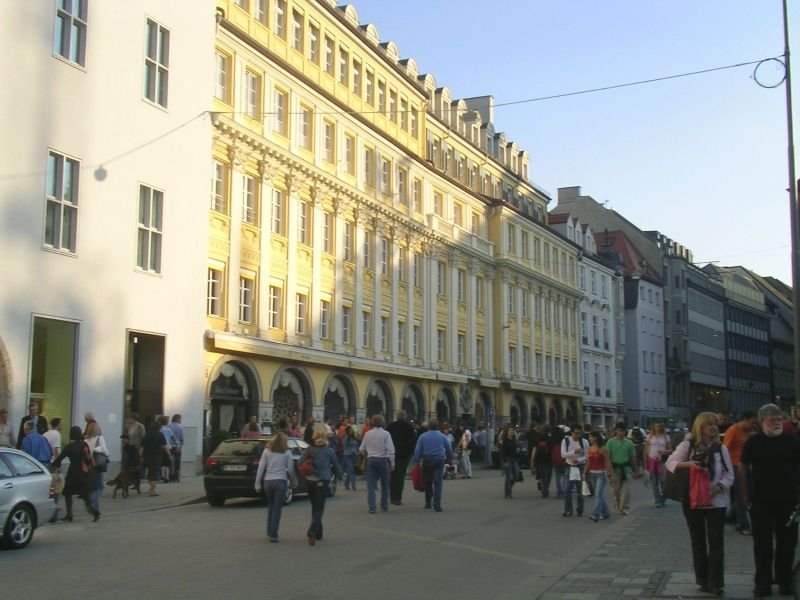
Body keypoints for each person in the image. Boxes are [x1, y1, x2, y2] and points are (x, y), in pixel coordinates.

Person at [666, 412, 734, 597]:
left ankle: (716, 582)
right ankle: (703, 579)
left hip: (716, 501)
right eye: (709, 424)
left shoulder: (721, 448)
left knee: (716, 542)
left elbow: (729, 475)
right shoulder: (688, 445)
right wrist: (689, 464)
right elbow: (670, 462)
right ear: (700, 426)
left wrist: (718, 488)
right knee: (698, 542)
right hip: (693, 499)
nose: (713, 427)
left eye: (715, 424)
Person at [739, 403, 800, 597]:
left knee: (787, 543)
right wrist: (744, 496)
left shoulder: (791, 441)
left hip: (788, 500)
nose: (777, 423)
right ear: (762, 421)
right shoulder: (753, 442)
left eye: (779, 419)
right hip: (761, 501)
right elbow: (742, 468)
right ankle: (762, 583)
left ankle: (784, 581)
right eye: (773, 420)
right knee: (762, 544)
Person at [254, 432, 298, 543]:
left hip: (268, 481)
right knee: (277, 508)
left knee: (270, 506)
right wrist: (294, 481)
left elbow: (261, 468)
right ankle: (273, 534)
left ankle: (269, 530)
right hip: (281, 481)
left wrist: (257, 483)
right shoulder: (287, 452)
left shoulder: (267, 451)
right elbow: (291, 469)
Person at [52, 426, 99, 522]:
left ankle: (69, 514)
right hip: (84, 472)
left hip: (73, 472)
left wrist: (55, 465)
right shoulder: (84, 445)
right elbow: (89, 458)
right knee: (85, 495)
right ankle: (94, 512)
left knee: (68, 493)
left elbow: (60, 458)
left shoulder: (69, 446)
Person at [305, 426, 343, 545]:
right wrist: (341, 475)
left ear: (314, 436)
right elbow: (336, 465)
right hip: (323, 481)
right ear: (325, 436)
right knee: (319, 508)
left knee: (314, 507)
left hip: (310, 480)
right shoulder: (329, 451)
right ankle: (312, 531)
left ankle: (318, 533)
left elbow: (300, 462)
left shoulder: (309, 449)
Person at [721, 410, 755, 535]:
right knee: (742, 495)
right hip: (736, 467)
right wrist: (727, 467)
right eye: (751, 422)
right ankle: (742, 525)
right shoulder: (733, 430)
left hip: (745, 466)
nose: (753, 425)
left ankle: (731, 517)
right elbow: (725, 448)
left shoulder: (746, 431)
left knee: (746, 494)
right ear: (745, 419)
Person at [412, 420, 452, 512]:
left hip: (427, 459)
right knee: (438, 482)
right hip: (439, 459)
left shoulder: (423, 436)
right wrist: (449, 459)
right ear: (438, 426)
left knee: (428, 481)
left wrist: (416, 460)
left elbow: (418, 449)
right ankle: (437, 504)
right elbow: (448, 448)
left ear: (428, 427)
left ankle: (428, 502)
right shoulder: (442, 436)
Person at [359, 415, 395, 513]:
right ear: (382, 422)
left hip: (371, 460)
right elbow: (391, 450)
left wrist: (367, 455)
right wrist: (392, 463)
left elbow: (361, 449)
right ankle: (384, 505)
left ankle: (372, 507)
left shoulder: (367, 434)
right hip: (383, 460)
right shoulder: (386, 434)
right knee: (385, 484)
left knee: (370, 484)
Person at [607, 423, 640, 515]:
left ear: (625, 431)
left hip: (626, 469)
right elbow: (608, 457)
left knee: (625, 490)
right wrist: (609, 470)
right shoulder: (610, 442)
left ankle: (624, 507)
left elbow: (633, 457)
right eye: (619, 430)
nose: (621, 432)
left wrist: (636, 470)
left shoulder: (629, 443)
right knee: (616, 491)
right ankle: (618, 504)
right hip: (615, 469)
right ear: (615, 431)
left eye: (622, 430)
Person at [386, 410, 416, 505]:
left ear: (396, 416)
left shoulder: (390, 426)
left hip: (392, 454)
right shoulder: (408, 427)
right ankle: (397, 498)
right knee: (400, 476)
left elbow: (386, 440)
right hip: (404, 455)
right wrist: (409, 452)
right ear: (405, 417)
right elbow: (413, 441)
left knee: (392, 475)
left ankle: (391, 496)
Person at [561, 425, 589, 517]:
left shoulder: (584, 442)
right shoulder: (566, 441)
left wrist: (579, 460)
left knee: (580, 490)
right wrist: (574, 452)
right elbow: (563, 454)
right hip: (569, 466)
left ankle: (580, 510)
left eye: (579, 433)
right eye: (576, 433)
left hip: (580, 466)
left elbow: (587, 455)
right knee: (567, 489)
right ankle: (568, 510)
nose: (578, 435)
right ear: (572, 432)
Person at [84, 421, 108, 518]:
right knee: (100, 487)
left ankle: (96, 511)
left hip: (88, 465)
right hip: (97, 465)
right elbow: (104, 450)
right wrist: (106, 454)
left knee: (92, 487)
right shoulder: (99, 438)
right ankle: (91, 502)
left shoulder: (85, 440)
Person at [644, 421, 672, 507]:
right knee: (654, 482)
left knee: (663, 481)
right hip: (652, 460)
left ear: (661, 427)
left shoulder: (666, 437)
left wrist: (664, 451)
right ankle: (657, 500)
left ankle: (663, 497)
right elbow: (645, 450)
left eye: (659, 426)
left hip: (662, 461)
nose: (657, 428)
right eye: (655, 426)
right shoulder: (649, 436)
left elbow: (671, 450)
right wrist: (645, 462)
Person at [587, 431, 613, 521]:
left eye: (591, 437)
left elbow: (607, 461)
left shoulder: (603, 449)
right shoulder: (590, 449)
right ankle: (605, 513)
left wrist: (609, 472)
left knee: (598, 494)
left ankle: (595, 514)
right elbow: (588, 461)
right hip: (592, 473)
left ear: (596, 438)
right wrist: (584, 472)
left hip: (601, 473)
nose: (589, 439)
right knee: (599, 495)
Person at [141, 421, 169, 497]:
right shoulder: (160, 435)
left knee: (150, 472)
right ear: (159, 427)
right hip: (156, 456)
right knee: (154, 473)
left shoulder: (147, 434)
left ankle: (151, 487)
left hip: (147, 456)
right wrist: (169, 455)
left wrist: (141, 456)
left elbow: (142, 447)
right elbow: (164, 446)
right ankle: (152, 490)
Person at [531, 424, 553, 498]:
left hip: (539, 459)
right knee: (548, 476)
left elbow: (534, 450)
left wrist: (532, 461)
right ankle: (545, 489)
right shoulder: (550, 439)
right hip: (548, 460)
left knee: (542, 475)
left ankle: (543, 488)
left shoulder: (537, 438)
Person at [500, 426, 520, 500]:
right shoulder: (505, 441)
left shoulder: (513, 440)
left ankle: (509, 487)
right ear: (507, 432)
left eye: (512, 430)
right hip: (508, 459)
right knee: (509, 477)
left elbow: (515, 451)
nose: (511, 432)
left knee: (516, 476)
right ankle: (508, 494)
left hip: (514, 459)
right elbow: (503, 452)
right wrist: (504, 462)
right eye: (510, 430)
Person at [159, 415, 178, 481]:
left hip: (161, 447)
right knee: (167, 462)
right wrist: (177, 444)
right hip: (168, 447)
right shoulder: (168, 429)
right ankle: (167, 477)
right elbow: (173, 438)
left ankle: (163, 475)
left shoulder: (160, 429)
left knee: (162, 462)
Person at [340, 426, 359, 490]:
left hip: (354, 456)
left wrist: (357, 454)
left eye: (352, 430)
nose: (351, 431)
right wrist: (346, 436)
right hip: (347, 455)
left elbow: (357, 446)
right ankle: (353, 485)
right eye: (350, 430)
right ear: (347, 432)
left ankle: (346, 484)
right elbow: (344, 444)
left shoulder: (354, 438)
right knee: (351, 470)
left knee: (349, 471)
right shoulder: (345, 438)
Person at [169, 414, 184, 482]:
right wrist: (180, 446)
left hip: (169, 446)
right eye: (180, 419)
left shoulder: (169, 426)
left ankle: (170, 475)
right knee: (177, 461)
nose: (181, 420)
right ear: (177, 419)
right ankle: (177, 474)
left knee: (170, 460)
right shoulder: (180, 426)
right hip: (177, 446)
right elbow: (182, 438)